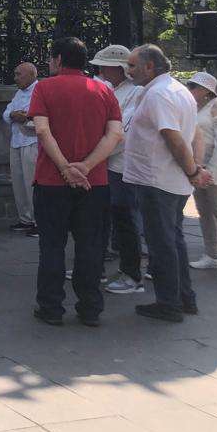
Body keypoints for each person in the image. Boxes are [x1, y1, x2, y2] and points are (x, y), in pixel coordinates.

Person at [27, 37, 123, 327]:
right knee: (90, 246)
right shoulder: (104, 91)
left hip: (51, 180)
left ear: (58, 60)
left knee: (52, 245)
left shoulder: (44, 87)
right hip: (95, 182)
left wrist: (66, 168)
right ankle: (90, 307)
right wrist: (87, 166)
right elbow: (115, 134)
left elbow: (42, 131)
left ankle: (51, 306)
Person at [124, 45, 212, 322]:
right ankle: (184, 298)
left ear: (150, 67)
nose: (129, 71)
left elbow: (174, 137)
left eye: (133, 65)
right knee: (173, 240)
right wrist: (193, 169)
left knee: (162, 243)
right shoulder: (175, 90)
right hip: (167, 180)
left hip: (157, 181)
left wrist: (193, 170)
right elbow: (192, 134)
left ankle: (169, 303)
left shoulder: (160, 94)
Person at [85, 46, 147, 295]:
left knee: (125, 219)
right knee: (102, 217)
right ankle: (96, 267)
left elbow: (123, 133)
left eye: (105, 66)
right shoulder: (110, 89)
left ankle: (132, 273)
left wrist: (93, 156)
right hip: (106, 163)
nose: (100, 70)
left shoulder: (136, 93)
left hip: (122, 166)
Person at [189, 72, 217, 274]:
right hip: (199, 167)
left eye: (193, 86)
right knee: (204, 212)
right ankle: (211, 255)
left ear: (206, 91)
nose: (189, 89)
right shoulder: (196, 108)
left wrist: (212, 171)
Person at [2, 62, 39, 235]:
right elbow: (7, 112)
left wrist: (23, 116)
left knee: (32, 183)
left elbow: (34, 114)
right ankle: (25, 219)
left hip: (32, 142)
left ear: (32, 75)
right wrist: (12, 114)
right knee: (18, 182)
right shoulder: (18, 93)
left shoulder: (39, 90)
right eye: (15, 74)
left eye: (19, 74)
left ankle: (38, 221)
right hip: (16, 141)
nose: (16, 78)